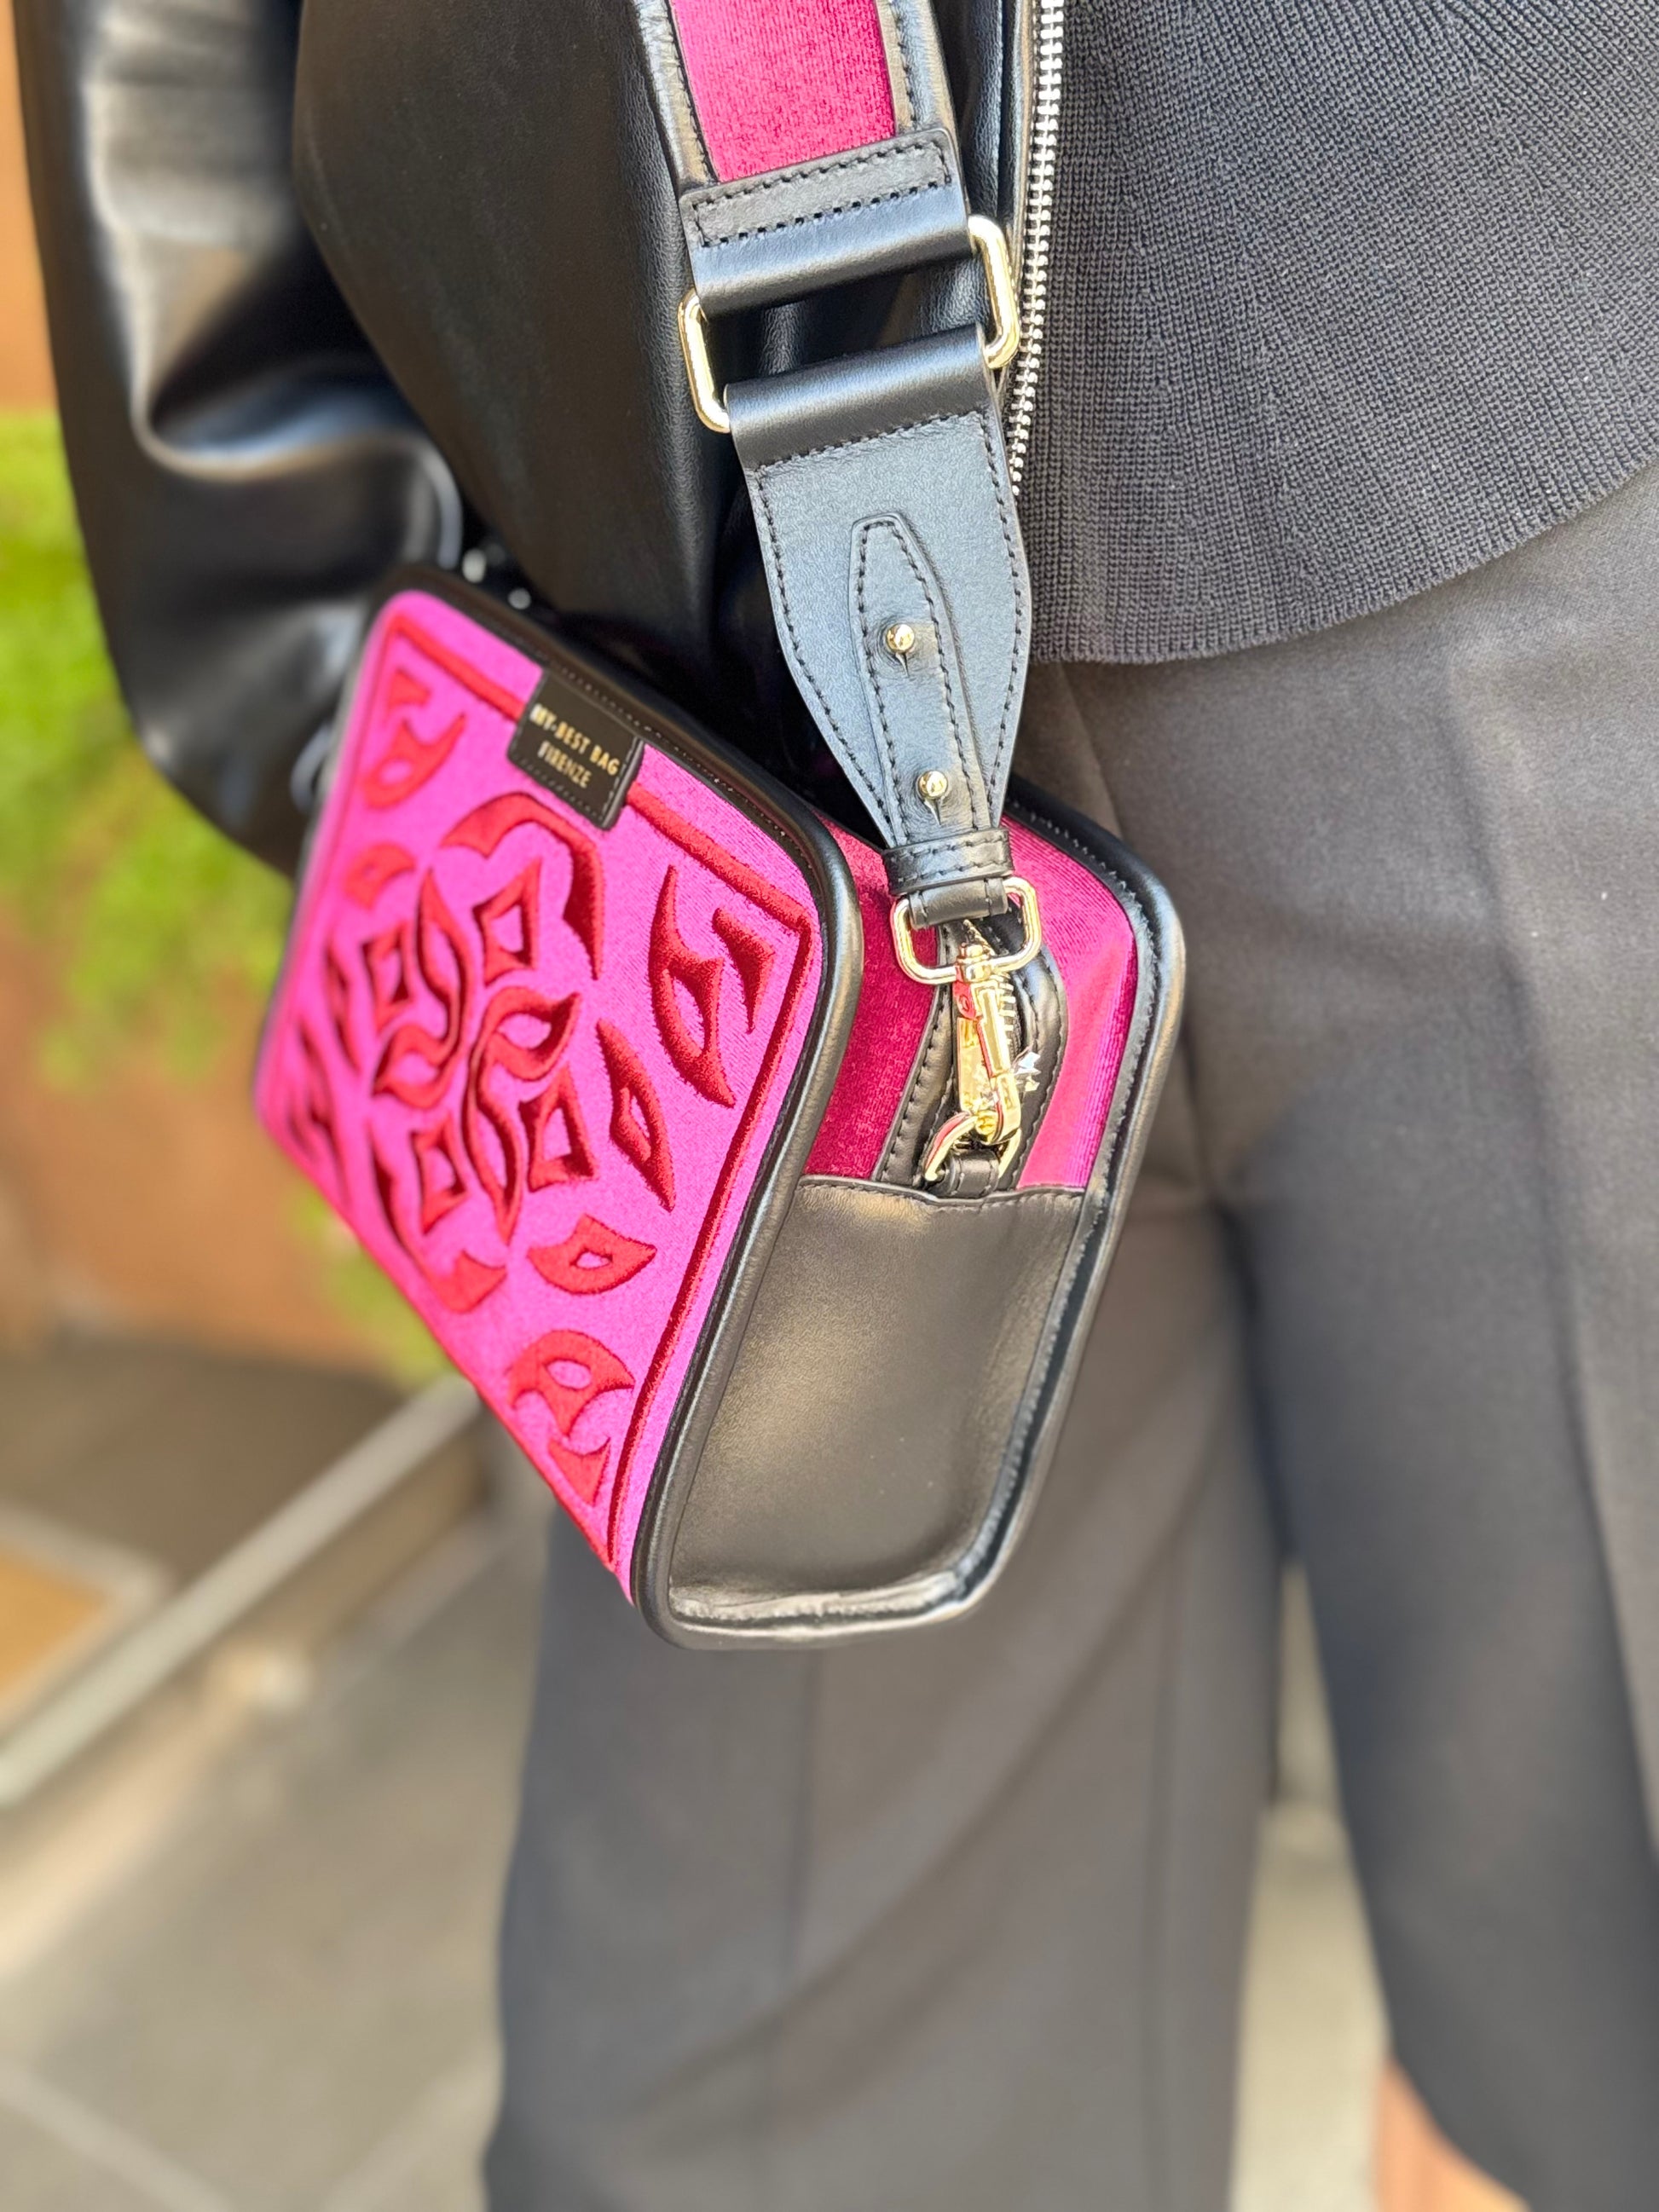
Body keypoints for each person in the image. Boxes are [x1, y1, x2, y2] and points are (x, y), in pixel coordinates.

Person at [16, 2, 1659, 2205]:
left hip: (1535, 442)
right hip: (714, 727)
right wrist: (308, 599)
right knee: (760, 2134)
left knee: (1593, 2041)